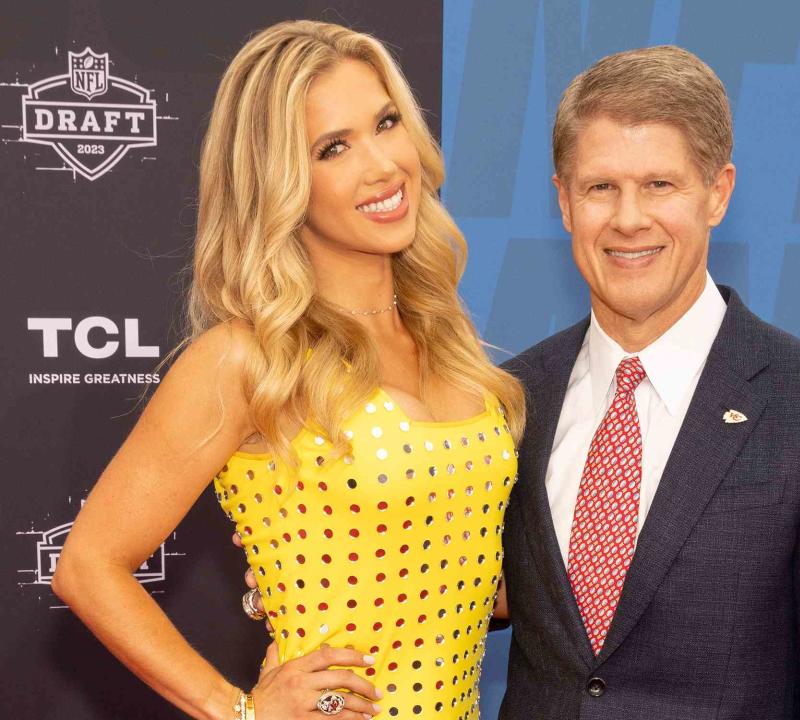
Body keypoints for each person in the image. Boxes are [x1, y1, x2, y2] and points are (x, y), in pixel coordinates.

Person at [51, 20, 523, 720]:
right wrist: (237, 709)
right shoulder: (249, 359)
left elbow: (468, 580)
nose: (383, 164)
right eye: (333, 148)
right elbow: (87, 565)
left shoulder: (444, 337)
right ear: (281, 181)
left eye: (386, 123)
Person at [494, 46, 800, 719]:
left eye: (660, 185)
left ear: (717, 193)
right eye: (601, 187)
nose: (629, 219)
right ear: (564, 201)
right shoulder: (508, 399)